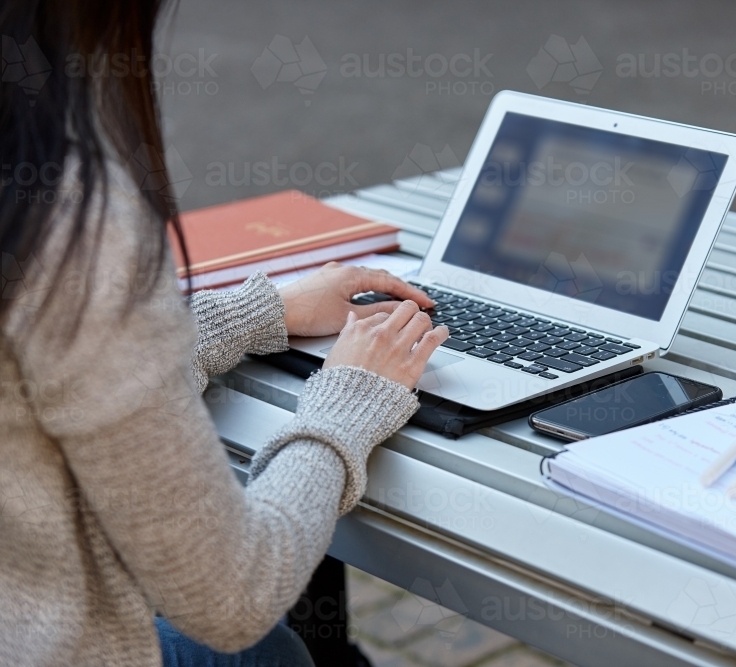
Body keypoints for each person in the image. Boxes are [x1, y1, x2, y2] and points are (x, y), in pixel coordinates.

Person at [0, 1, 449, 665]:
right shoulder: (71, 225)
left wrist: (258, 312)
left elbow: (46, 374)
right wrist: (348, 402)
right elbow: (232, 596)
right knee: (272, 652)